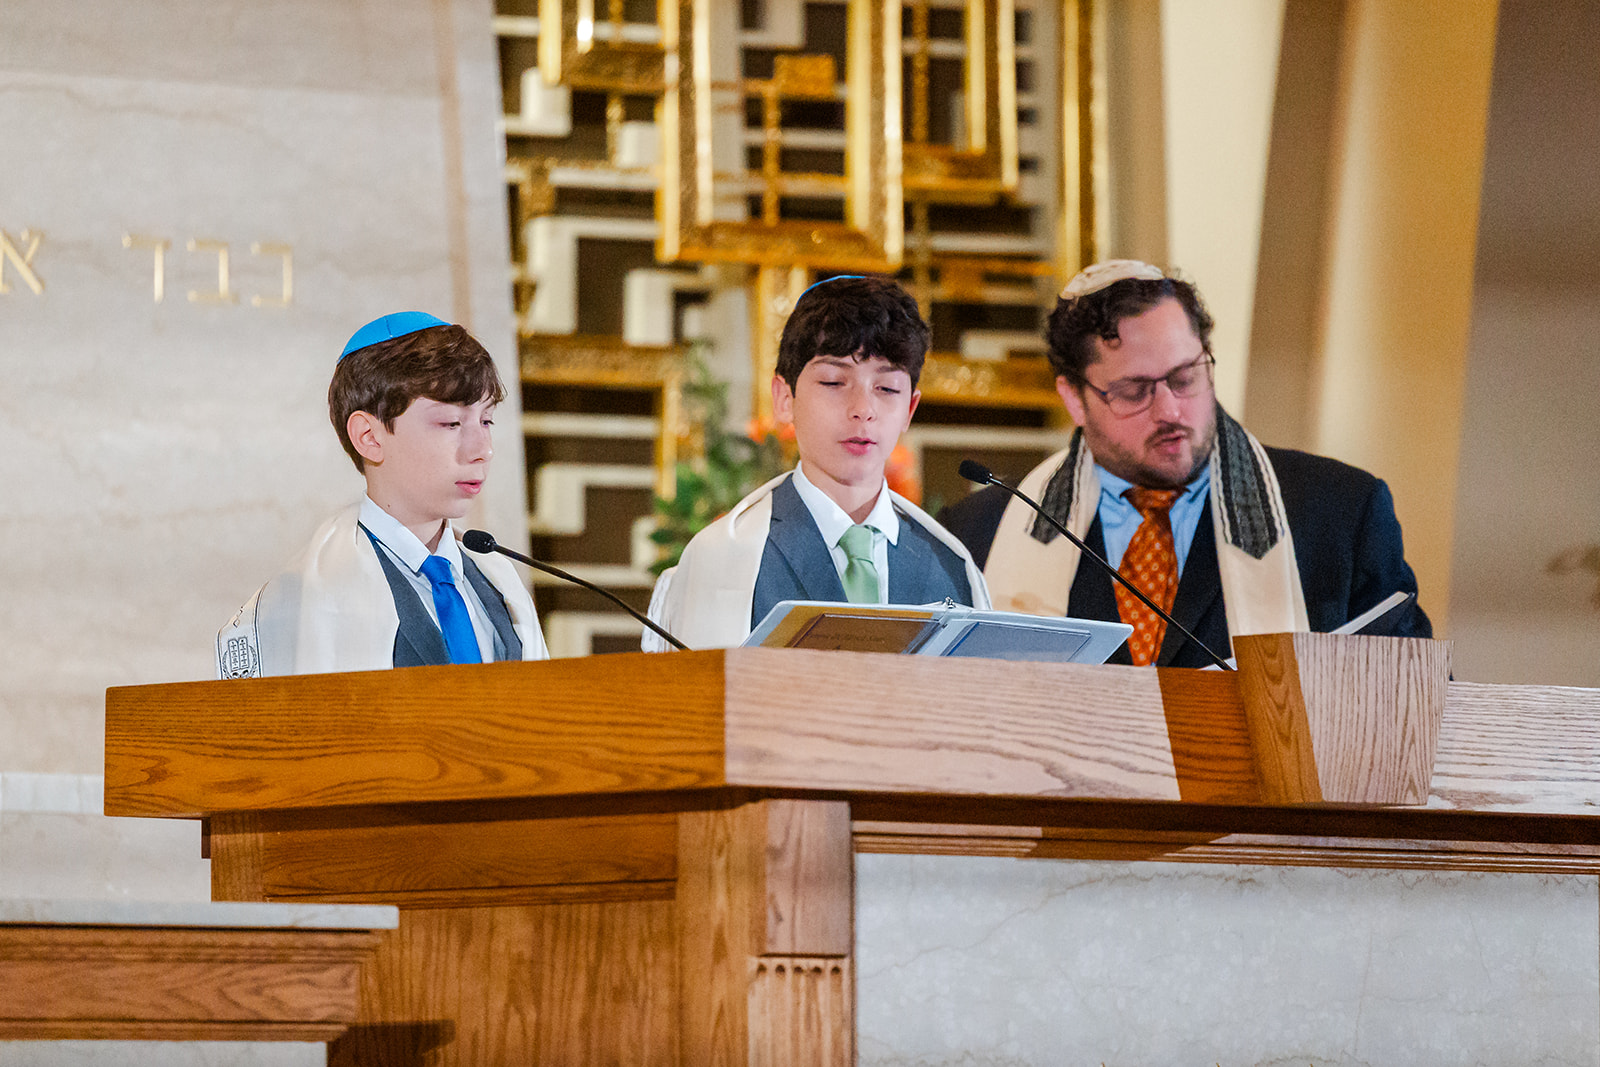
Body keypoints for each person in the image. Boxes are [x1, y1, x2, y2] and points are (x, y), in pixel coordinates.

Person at [938, 260, 1430, 668]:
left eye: (1185, 377)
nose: (1170, 411)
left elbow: (1417, 704)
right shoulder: (979, 536)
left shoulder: (1340, 516)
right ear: (1073, 397)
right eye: (1135, 391)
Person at [646, 276, 989, 650]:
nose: (863, 411)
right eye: (833, 382)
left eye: (887, 388)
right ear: (784, 398)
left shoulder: (951, 566)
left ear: (909, 409)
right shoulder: (724, 558)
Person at [216, 312, 547, 677]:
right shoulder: (310, 596)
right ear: (369, 437)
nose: (481, 449)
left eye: (486, 421)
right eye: (451, 423)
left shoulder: (498, 584)